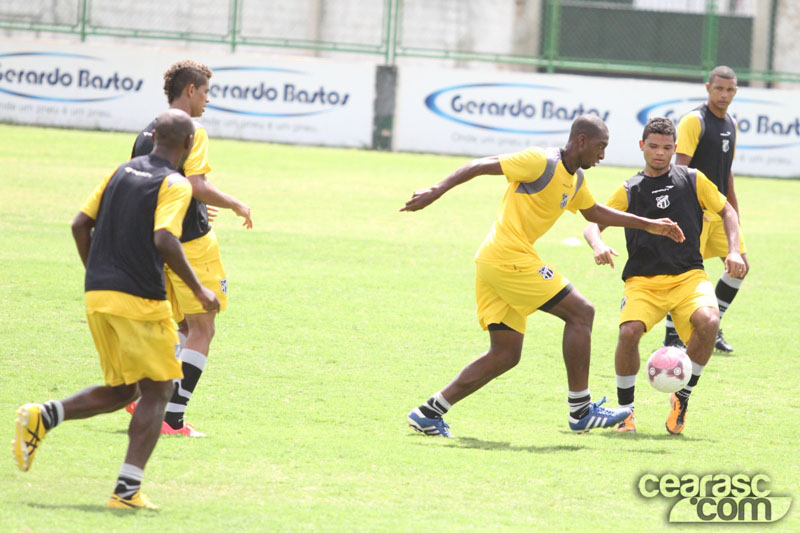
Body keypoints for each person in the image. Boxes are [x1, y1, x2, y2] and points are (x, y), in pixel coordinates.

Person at [401, 115, 687, 438]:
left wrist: (649, 224)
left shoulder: (576, 179)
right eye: (599, 147)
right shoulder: (540, 161)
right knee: (582, 312)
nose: (602, 156)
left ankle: (428, 412)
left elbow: (594, 213)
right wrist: (436, 190)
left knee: (505, 354)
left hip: (496, 262)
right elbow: (483, 164)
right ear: (580, 140)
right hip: (508, 257)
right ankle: (580, 409)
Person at [12, 109, 220, 509]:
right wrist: (198, 288)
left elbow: (78, 224)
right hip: (140, 298)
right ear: (189, 145)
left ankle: (44, 415)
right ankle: (126, 492)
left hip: (98, 296)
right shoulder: (174, 184)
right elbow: (164, 238)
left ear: (153, 135)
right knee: (159, 389)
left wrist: (98, 273)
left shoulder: (119, 171)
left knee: (125, 389)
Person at [583, 117, 745, 434]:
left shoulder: (693, 179)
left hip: (689, 277)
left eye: (667, 148)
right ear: (642, 146)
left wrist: (735, 250)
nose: (660, 153)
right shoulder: (629, 189)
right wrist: (598, 243)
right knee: (628, 333)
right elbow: (592, 223)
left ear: (675, 149)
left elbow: (727, 210)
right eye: (653, 147)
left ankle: (681, 397)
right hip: (643, 281)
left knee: (710, 323)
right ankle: (625, 412)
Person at [129, 60, 253, 437]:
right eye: (205, 92)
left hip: (157, 239)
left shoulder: (148, 129)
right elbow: (195, 182)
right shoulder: (193, 130)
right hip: (190, 245)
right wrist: (234, 203)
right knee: (203, 327)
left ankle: (144, 396)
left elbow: (156, 182)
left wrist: (193, 205)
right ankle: (172, 417)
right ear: (190, 91)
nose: (207, 100)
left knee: (182, 325)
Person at [663, 65, 748, 353]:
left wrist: (733, 211)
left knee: (739, 268)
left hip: (720, 211)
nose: (724, 94)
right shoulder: (694, 121)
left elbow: (727, 173)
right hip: (695, 213)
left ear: (735, 92)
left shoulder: (731, 124)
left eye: (730, 90)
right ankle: (672, 337)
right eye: (719, 88)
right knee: (683, 272)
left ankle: (712, 327)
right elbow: (679, 171)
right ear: (708, 88)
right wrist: (681, 212)